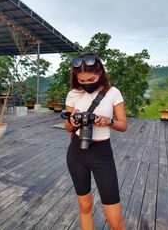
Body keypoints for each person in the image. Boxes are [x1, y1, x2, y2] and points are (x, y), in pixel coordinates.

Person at [64, 52, 127, 230]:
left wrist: (109, 121)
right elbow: (68, 128)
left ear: (100, 74)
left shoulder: (113, 93)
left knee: (115, 220)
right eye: (82, 81)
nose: (86, 84)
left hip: (102, 155)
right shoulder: (73, 94)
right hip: (77, 153)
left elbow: (123, 125)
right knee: (85, 207)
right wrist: (72, 121)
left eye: (91, 79)